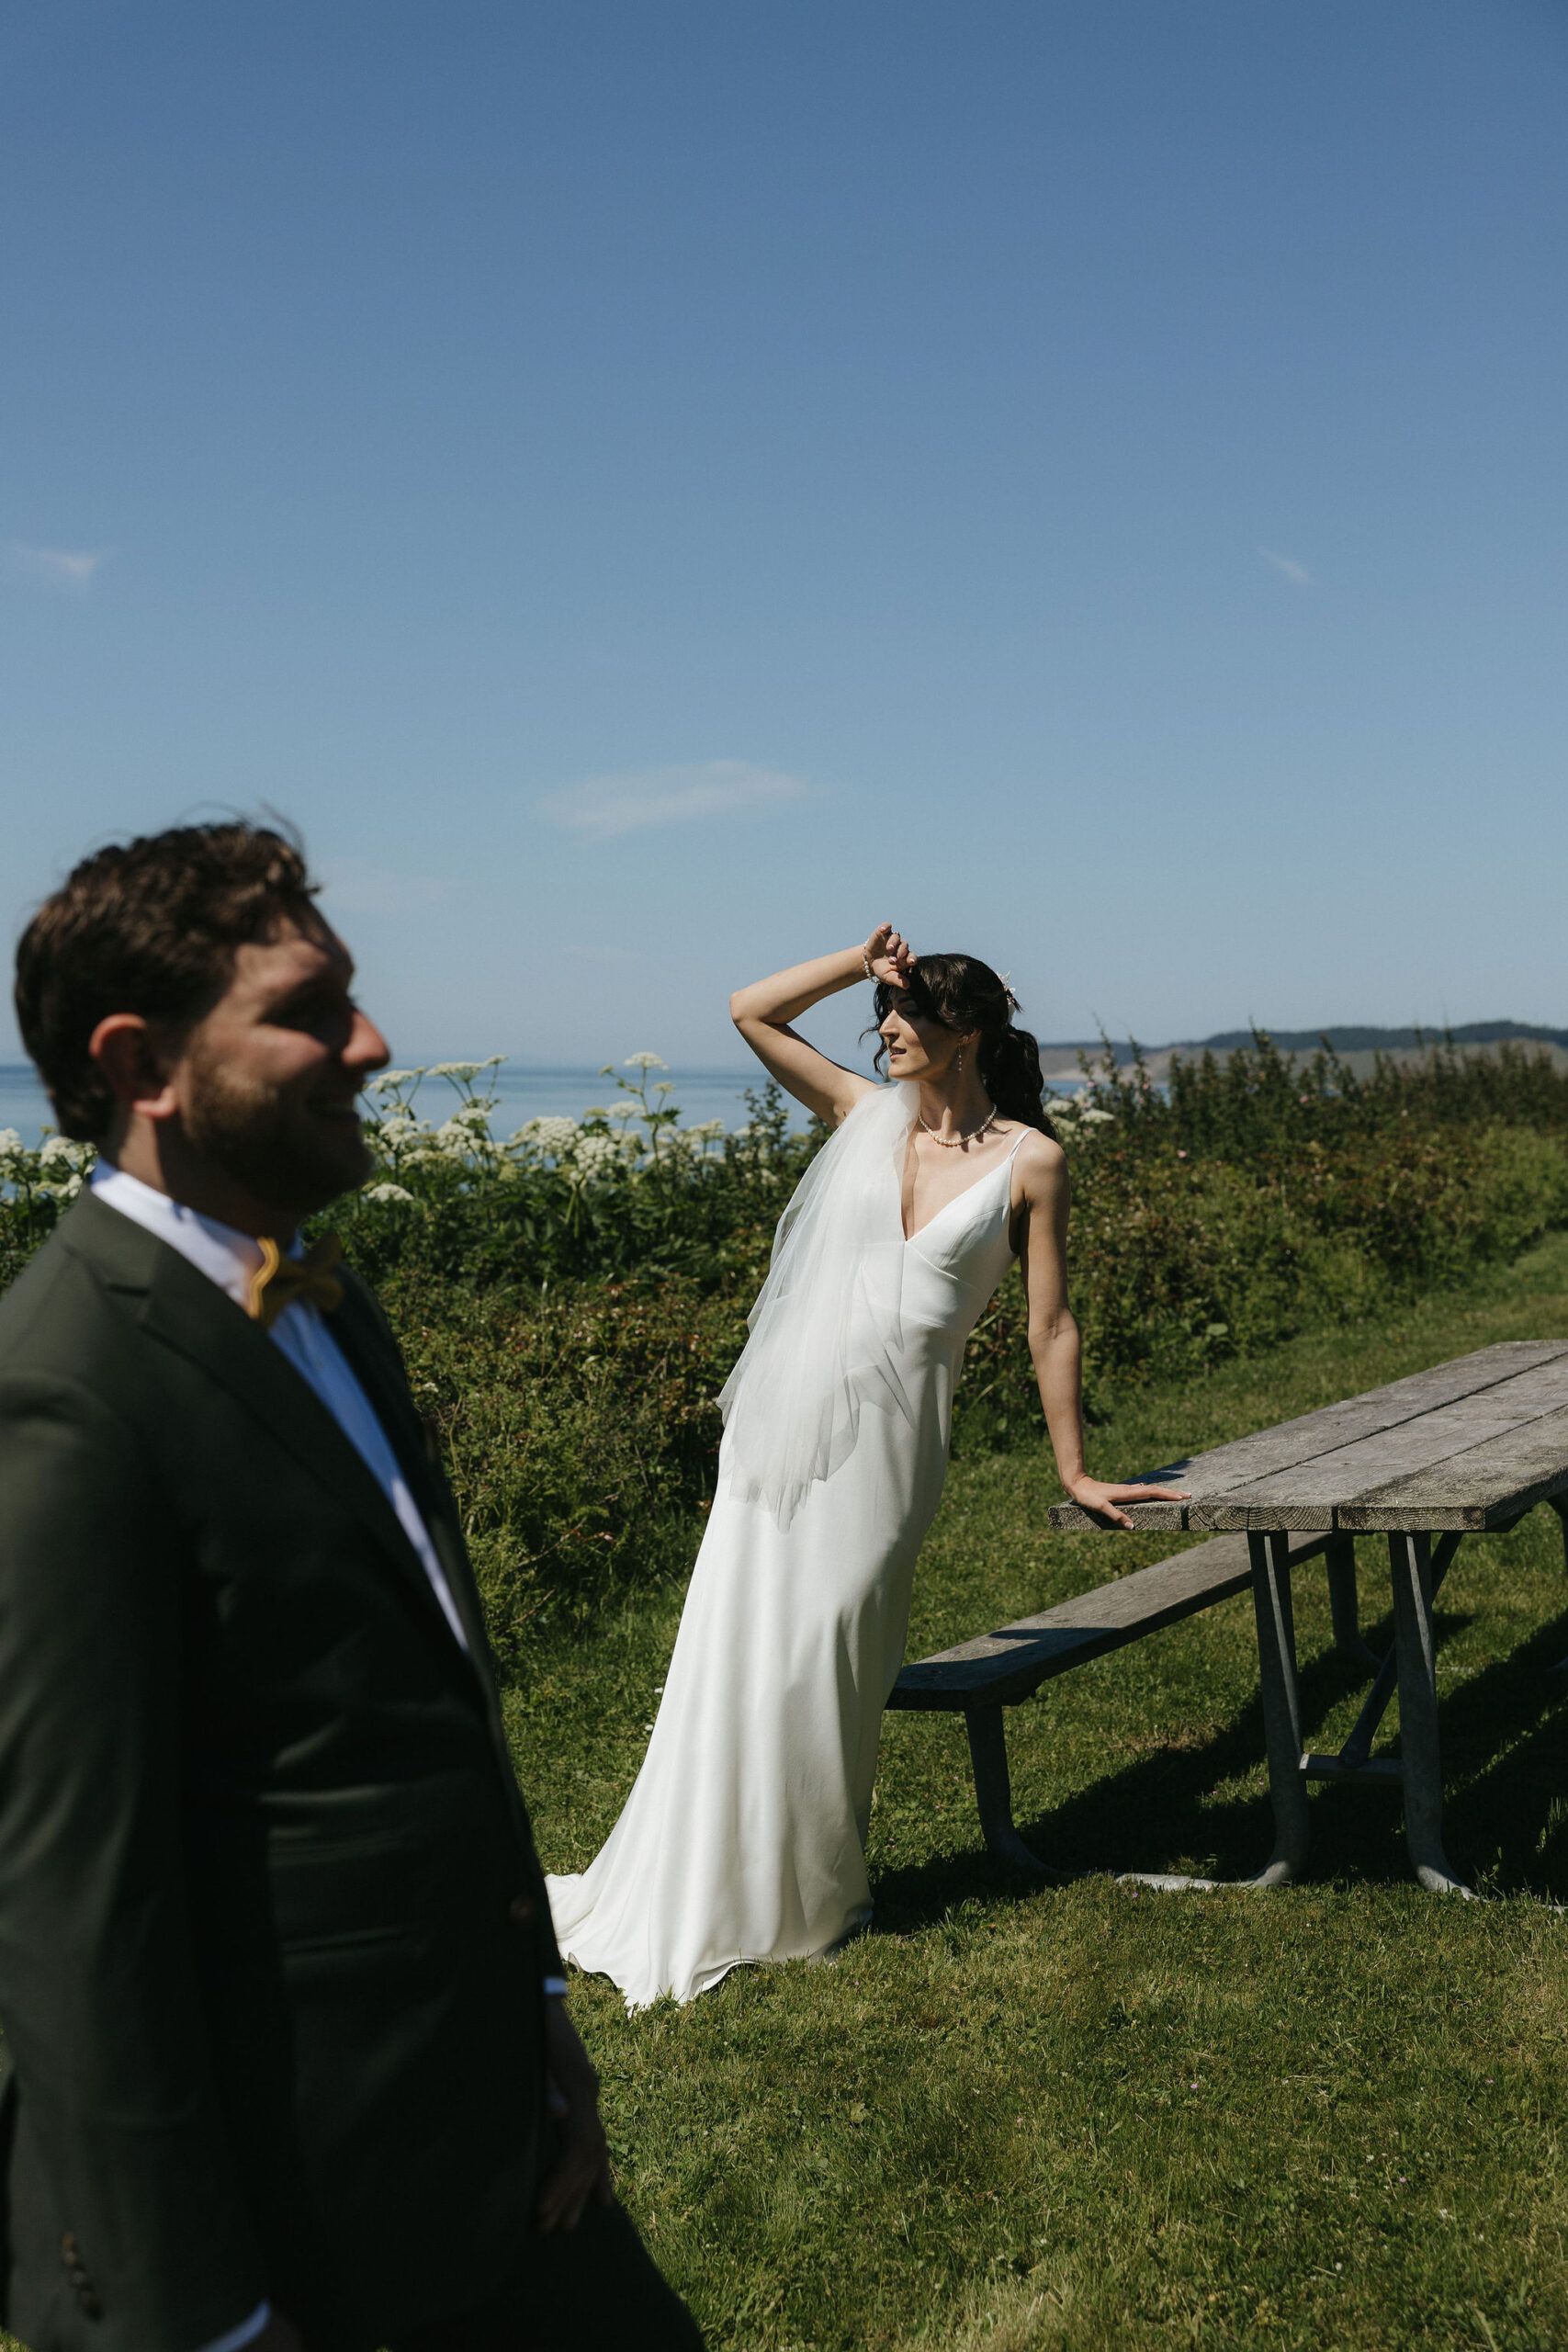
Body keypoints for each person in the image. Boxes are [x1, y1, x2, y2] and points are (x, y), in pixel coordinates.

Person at [0, 823, 703, 2352]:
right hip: (302, 2208)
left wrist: (538, 2012)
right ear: (142, 1066)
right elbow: (71, 1912)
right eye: (308, 1011)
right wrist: (199, 2324)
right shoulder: (69, 1391)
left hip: (483, 2135)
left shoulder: (324, 1290)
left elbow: (429, 1702)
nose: (374, 1044)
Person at [547, 925, 1189, 2009]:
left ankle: (801, 1892)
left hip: (892, 1447)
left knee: (831, 1648)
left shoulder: (1033, 1160)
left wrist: (1076, 1470)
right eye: (883, 1015)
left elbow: (1051, 1325)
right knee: (742, 1642)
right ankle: (715, 1881)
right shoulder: (862, 1115)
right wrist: (859, 959)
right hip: (779, 1439)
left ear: (968, 1035)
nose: (887, 1029)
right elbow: (750, 1009)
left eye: (910, 1015)